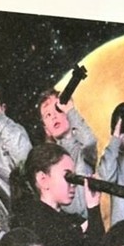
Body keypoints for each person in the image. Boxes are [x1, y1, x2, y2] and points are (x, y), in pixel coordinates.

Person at [38, 89, 98, 221]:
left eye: (58, 110)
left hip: (91, 218)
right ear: (46, 129)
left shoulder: (82, 149)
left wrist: (71, 111)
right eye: (47, 115)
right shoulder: (48, 161)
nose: (53, 116)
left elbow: (89, 142)